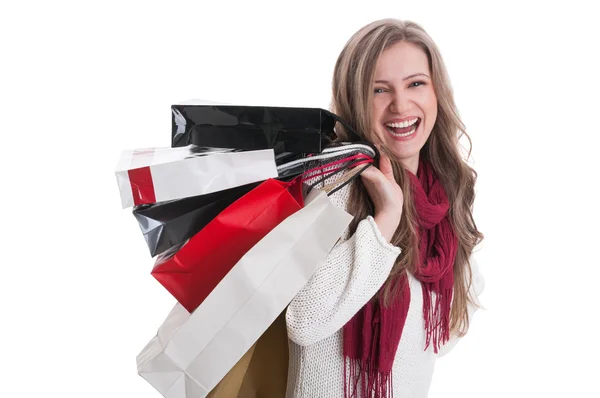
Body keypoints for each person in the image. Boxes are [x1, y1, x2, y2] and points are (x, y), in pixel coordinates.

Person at [285, 18, 485, 398]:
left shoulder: (439, 197)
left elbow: (442, 337)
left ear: (436, 93)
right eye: (379, 89)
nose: (400, 105)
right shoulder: (335, 186)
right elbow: (304, 320)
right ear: (355, 99)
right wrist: (385, 220)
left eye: (416, 84)